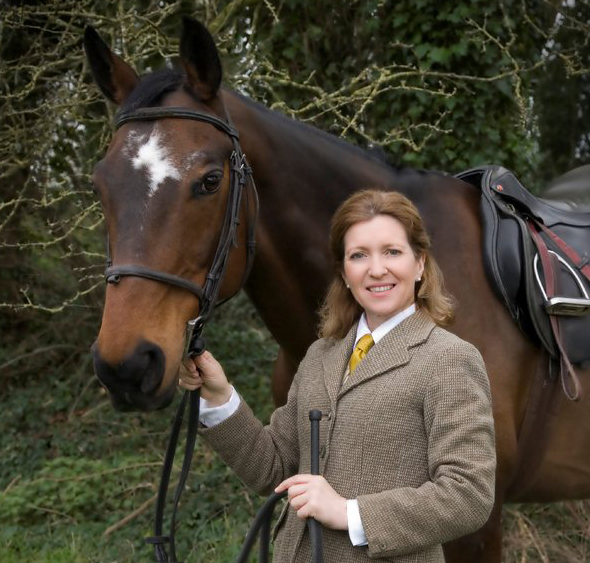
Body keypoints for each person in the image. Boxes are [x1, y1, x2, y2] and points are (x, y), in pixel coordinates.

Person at [179, 189, 496, 563]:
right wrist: (218, 397)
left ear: (420, 264)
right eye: (359, 255)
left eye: (392, 252)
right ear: (345, 273)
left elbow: (469, 494)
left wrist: (349, 513)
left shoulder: (448, 359)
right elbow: (273, 468)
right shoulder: (319, 355)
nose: (376, 269)